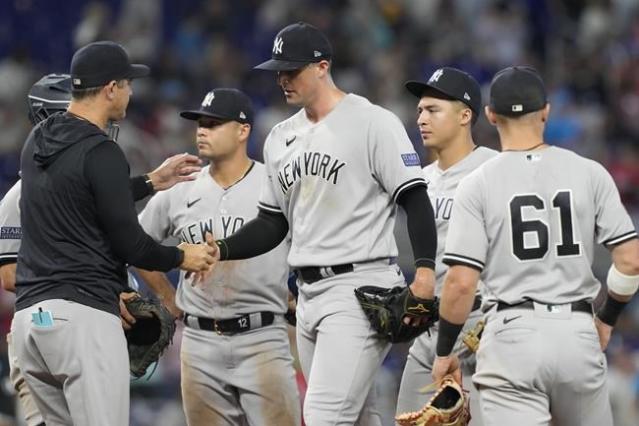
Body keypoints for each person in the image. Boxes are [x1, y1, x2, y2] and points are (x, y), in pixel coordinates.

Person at [209, 22, 438, 425]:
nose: (282, 78)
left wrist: (424, 272)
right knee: (356, 416)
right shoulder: (280, 137)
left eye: (291, 70)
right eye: (278, 70)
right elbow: (271, 222)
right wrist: (222, 249)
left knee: (323, 416)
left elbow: (415, 200)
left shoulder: (372, 122)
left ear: (322, 67)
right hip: (308, 298)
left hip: (360, 290)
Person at [9, 41, 216, 426]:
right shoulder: (101, 150)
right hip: (81, 322)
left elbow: (82, 192)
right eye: (127, 83)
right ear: (109, 88)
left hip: (31, 326)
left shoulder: (36, 142)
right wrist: (181, 257)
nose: (131, 91)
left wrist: (152, 181)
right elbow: (131, 245)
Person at [432, 66, 639, 426]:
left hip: (511, 336)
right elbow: (631, 261)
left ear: (491, 115)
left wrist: (445, 350)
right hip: (578, 333)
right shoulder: (589, 172)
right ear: (545, 110)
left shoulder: (477, 183)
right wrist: (606, 320)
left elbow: (461, 283)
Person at [136, 88, 301, 426]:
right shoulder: (181, 188)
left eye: (213, 124)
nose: (201, 130)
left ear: (243, 131)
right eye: (200, 123)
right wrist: (169, 296)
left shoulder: (274, 184)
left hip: (263, 337)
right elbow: (136, 245)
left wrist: (300, 294)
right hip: (199, 341)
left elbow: (313, 244)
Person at [395, 67, 497, 424]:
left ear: (465, 115)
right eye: (420, 110)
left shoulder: (494, 170)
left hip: (481, 331)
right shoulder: (418, 181)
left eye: (433, 109)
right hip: (429, 331)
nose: (421, 118)